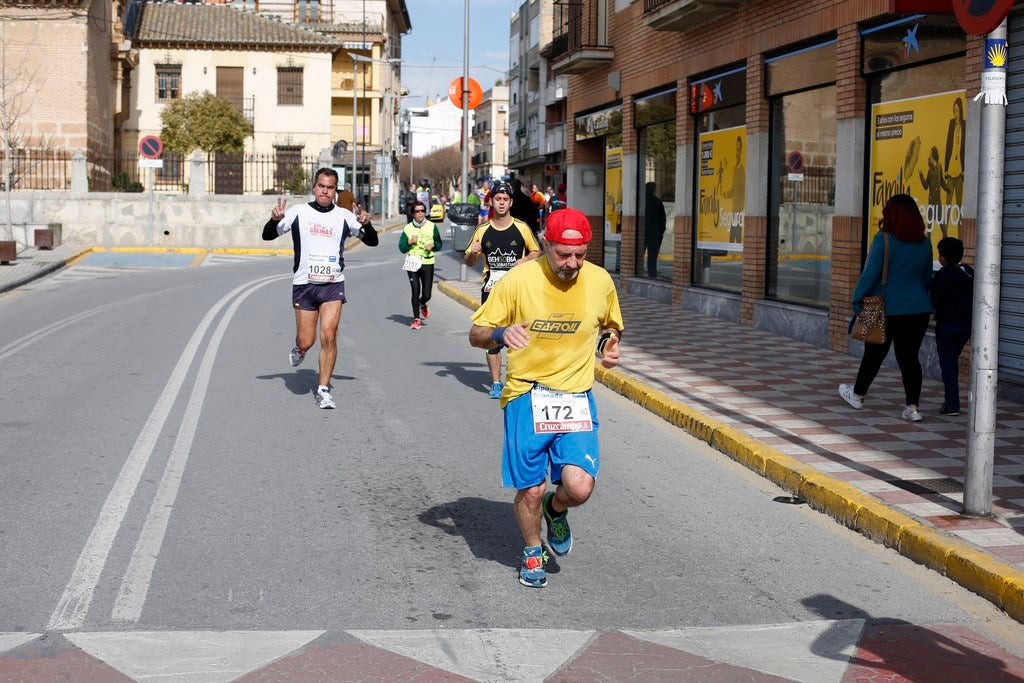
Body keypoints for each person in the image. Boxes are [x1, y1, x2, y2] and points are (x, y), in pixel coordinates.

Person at [468, 208, 623, 588]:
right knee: (532, 489)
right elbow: (476, 333)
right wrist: (501, 334)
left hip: (575, 394)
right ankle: (532, 549)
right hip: (527, 393)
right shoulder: (517, 280)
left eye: (580, 255)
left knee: (580, 487)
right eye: (563, 254)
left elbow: (607, 326)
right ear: (546, 244)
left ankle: (557, 510)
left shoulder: (600, 281)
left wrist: (608, 344)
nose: (572, 263)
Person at [262, 167, 378, 409]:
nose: (325, 191)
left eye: (330, 187)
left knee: (329, 334)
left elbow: (372, 241)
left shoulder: (344, 216)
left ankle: (323, 389)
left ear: (336, 191)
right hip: (304, 284)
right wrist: (274, 220)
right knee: (307, 340)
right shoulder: (298, 212)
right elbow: (268, 236)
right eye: (321, 186)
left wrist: (366, 224)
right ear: (314, 187)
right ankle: (299, 349)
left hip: (332, 284)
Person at [839, 193, 933, 422]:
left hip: (884, 306)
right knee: (909, 358)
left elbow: (870, 274)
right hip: (918, 308)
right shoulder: (925, 242)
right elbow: (926, 277)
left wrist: (857, 301)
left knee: (874, 354)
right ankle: (913, 408)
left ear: (890, 214)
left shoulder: (883, 239)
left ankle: (858, 395)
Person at [464, 181, 541, 398]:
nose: (501, 203)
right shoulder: (482, 230)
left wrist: (524, 260)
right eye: (497, 199)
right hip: (492, 292)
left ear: (511, 203)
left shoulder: (521, 228)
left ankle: (520, 379)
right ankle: (497, 383)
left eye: (505, 199)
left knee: (522, 335)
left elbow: (536, 251)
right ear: (491, 201)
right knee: (492, 338)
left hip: (519, 292)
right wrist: (473, 253)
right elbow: (469, 261)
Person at [931, 236, 974, 416]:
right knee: (952, 362)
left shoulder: (943, 275)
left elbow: (935, 299)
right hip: (967, 326)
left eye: (940, 253)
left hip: (947, 326)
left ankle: (952, 404)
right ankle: (951, 402)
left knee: (948, 365)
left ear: (943, 257)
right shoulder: (969, 272)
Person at [399, 200, 443, 330]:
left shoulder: (432, 226)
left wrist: (433, 245)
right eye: (417, 211)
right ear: (413, 214)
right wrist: (409, 242)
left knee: (427, 294)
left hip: (427, 262)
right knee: (415, 290)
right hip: (412, 262)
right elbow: (401, 248)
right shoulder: (408, 228)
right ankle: (416, 319)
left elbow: (439, 244)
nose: (420, 213)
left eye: (422, 211)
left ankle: (422, 303)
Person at [643, 181, 666, 278]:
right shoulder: (657, 201)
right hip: (654, 232)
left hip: (643, 232)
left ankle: (638, 271)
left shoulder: (641, 201)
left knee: (639, 254)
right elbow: (663, 219)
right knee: (652, 255)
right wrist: (661, 232)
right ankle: (652, 273)